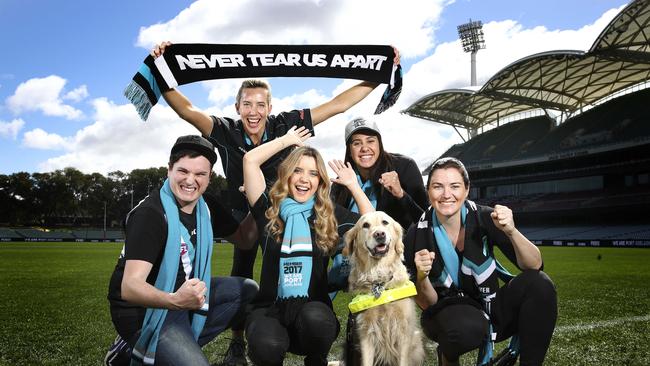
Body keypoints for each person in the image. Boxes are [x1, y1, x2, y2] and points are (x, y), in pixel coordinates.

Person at [106, 135, 258, 366]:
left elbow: (244, 240)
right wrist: (176, 300)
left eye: (200, 174)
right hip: (143, 311)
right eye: (183, 171)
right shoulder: (151, 214)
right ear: (169, 169)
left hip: (182, 296)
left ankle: (159, 347)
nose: (190, 180)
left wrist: (258, 202)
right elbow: (129, 287)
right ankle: (134, 345)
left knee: (246, 291)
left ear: (209, 177)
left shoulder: (206, 206)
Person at [404, 157, 557, 366]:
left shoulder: (485, 217)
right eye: (438, 186)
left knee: (540, 284)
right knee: (465, 329)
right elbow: (427, 303)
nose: (447, 194)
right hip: (444, 314)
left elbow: (534, 265)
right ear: (428, 191)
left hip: (488, 305)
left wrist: (511, 231)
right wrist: (422, 277)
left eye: (455, 186)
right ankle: (447, 356)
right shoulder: (415, 234)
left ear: (467, 190)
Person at [241, 126, 374, 366]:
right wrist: (288, 140)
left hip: (314, 311)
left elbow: (374, 225)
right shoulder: (269, 209)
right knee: (266, 345)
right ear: (287, 175)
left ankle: (316, 359)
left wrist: (353, 185)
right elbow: (250, 160)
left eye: (313, 173)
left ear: (320, 180)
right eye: (298, 171)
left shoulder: (328, 215)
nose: (304, 179)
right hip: (271, 309)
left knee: (317, 321)